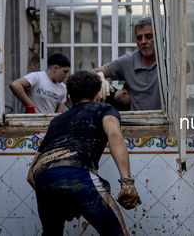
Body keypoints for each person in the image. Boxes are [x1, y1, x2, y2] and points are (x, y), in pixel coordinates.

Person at [27, 70, 141, 236]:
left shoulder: (56, 121)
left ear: (70, 99)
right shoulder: (104, 109)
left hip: (43, 179)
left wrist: (61, 198)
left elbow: (30, 176)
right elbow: (115, 134)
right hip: (78, 172)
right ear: (97, 95)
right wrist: (127, 182)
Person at [93, 16, 160, 111]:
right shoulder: (128, 61)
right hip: (136, 122)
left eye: (149, 37)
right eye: (139, 38)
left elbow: (185, 67)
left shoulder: (168, 60)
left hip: (166, 121)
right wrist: (99, 77)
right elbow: (91, 72)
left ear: (158, 37)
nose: (143, 41)